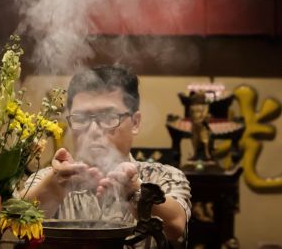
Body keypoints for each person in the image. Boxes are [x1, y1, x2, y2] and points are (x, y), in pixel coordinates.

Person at [20, 65, 191, 245]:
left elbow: (175, 227)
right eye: (81, 118)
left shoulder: (163, 176)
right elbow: (14, 222)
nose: (94, 130)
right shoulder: (51, 178)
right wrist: (55, 187)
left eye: (108, 117)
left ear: (135, 122)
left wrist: (134, 191)